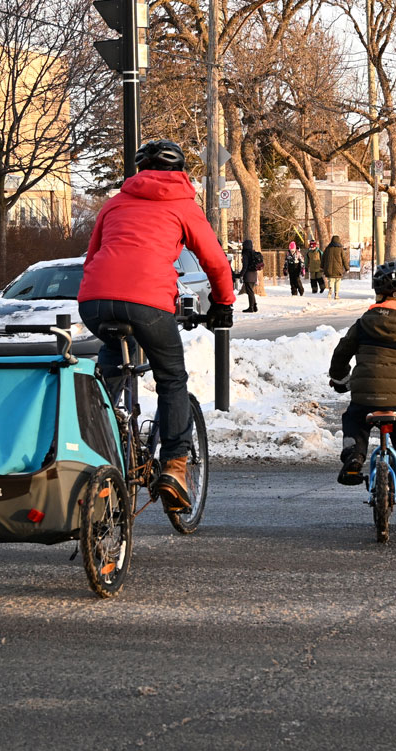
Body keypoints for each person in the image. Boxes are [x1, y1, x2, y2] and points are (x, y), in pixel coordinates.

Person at [78, 139, 235, 512]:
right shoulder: (183, 205)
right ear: (180, 172)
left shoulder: (114, 203)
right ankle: (176, 468)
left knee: (111, 365)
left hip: (95, 300)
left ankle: (93, 440)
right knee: (170, 378)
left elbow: (93, 254)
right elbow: (215, 262)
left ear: (140, 171)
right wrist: (223, 305)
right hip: (148, 302)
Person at [328, 260, 396, 509]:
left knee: (354, 421)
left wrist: (339, 379)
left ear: (378, 294)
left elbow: (342, 352)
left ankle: (354, 456)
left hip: (364, 396)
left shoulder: (363, 323)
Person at [322, 234, 349, 300]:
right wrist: (347, 268)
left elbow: (323, 258)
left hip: (329, 269)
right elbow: (344, 259)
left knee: (331, 280)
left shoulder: (328, 249)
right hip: (338, 269)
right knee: (337, 281)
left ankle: (330, 290)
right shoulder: (340, 249)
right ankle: (336, 294)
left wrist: (322, 266)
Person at [240, 238, 262, 313]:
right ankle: (254, 306)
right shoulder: (253, 253)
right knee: (251, 291)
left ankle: (251, 307)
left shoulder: (246, 254)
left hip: (248, 275)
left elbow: (245, 266)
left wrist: (240, 274)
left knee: (250, 292)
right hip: (254, 274)